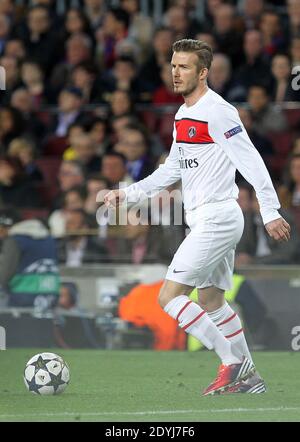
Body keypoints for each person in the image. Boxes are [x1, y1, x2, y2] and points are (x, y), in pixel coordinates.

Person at [104, 39, 291, 396]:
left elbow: (251, 161)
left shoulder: (218, 111)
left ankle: (231, 361)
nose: (176, 72)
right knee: (211, 302)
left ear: (203, 72)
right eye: (173, 65)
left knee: (169, 296)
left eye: (184, 66)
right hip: (207, 219)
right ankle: (250, 378)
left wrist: (269, 211)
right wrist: (126, 193)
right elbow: (169, 170)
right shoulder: (182, 115)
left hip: (218, 218)